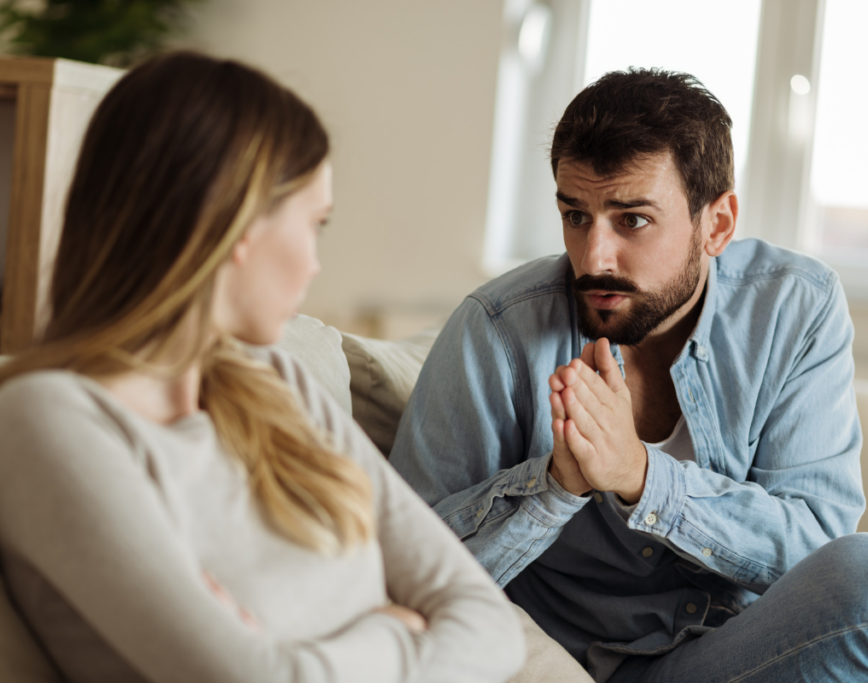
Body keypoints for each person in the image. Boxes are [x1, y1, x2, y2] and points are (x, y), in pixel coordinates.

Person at [388, 68, 868, 683]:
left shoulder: (794, 306)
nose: (593, 257)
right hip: (619, 665)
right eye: (575, 215)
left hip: (773, 644)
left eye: (632, 219)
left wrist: (644, 479)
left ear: (715, 224)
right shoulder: (495, 333)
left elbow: (810, 548)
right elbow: (404, 573)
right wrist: (555, 487)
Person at [0, 52, 524, 683]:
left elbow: (489, 624)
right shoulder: (48, 419)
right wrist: (396, 627)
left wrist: (306, 658)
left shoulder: (277, 380)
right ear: (235, 226)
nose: (315, 265)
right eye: (314, 224)